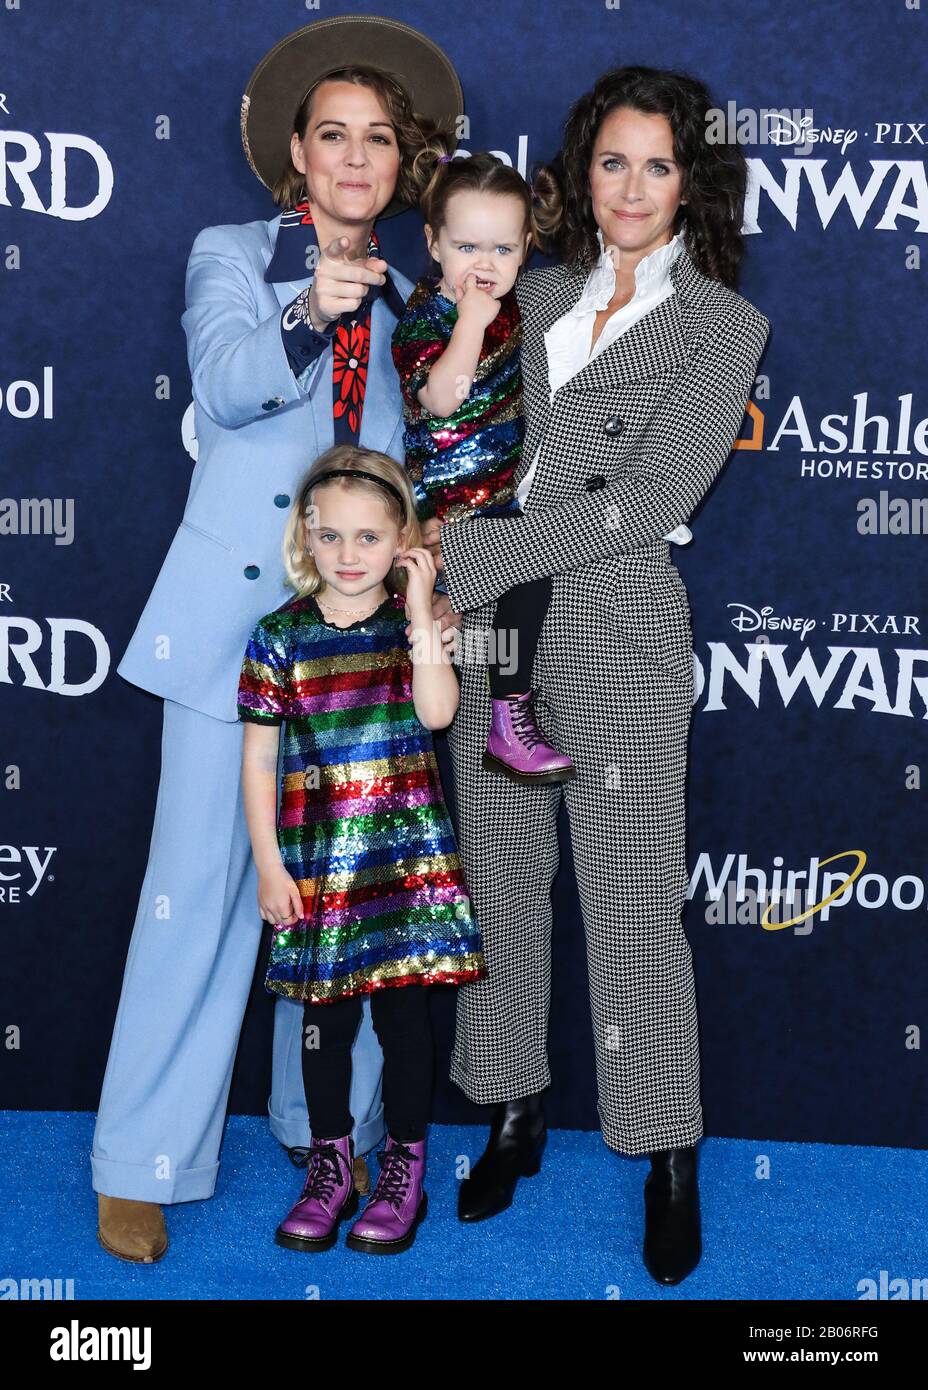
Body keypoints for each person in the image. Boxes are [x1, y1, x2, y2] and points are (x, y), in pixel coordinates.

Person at [91, 19, 464, 1263]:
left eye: (378, 139)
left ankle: (331, 1145)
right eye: (332, 136)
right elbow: (230, 379)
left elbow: (414, 471)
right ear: (294, 158)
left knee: (350, 912)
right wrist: (312, 305)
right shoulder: (233, 257)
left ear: (401, 164)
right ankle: (144, 1160)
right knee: (195, 902)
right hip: (226, 643)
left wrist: (425, 571)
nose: (355, 158)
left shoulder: (420, 300)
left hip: (354, 660)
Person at [428, 66, 771, 1286]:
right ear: (583, 170)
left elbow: (648, 501)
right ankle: (512, 1109)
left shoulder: (723, 327)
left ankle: (664, 1148)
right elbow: (453, 427)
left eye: (658, 165)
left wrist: (472, 550)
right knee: (501, 886)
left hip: (616, 618)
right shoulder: (537, 283)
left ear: (692, 183)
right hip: (489, 629)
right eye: (612, 162)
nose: (631, 188)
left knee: (630, 903)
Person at [238, 447, 484, 1254]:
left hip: (406, 869)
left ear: (403, 542)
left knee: (406, 1025)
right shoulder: (278, 637)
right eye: (331, 537)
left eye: (370, 539)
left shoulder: (412, 630)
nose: (349, 556)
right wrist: (270, 864)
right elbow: (259, 760)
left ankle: (405, 1169)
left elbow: (440, 714)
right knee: (325, 1025)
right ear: (305, 539)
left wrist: (420, 614)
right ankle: (331, 1164)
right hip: (317, 867)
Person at [391, 149, 691, 785]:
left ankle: (509, 712)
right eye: (467, 246)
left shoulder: (532, 304)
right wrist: (471, 323)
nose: (484, 266)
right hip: (451, 503)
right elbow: (441, 397)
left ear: (526, 247)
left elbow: (656, 489)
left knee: (524, 598)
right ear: (433, 244)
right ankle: (504, 716)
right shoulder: (426, 318)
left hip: (512, 511)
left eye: (501, 250)